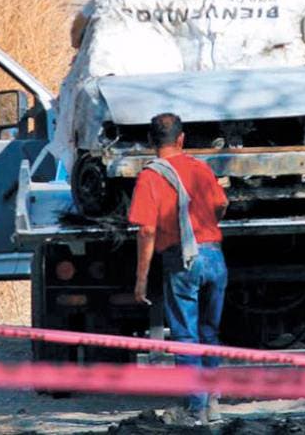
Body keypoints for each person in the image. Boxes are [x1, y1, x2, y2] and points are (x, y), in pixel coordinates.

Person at [128, 113, 229, 426]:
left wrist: (141, 279)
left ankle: (194, 409)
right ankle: (212, 403)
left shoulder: (151, 176)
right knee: (209, 332)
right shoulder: (201, 168)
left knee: (185, 336)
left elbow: (146, 230)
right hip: (215, 258)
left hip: (183, 260)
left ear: (150, 142)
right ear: (181, 139)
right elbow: (222, 204)